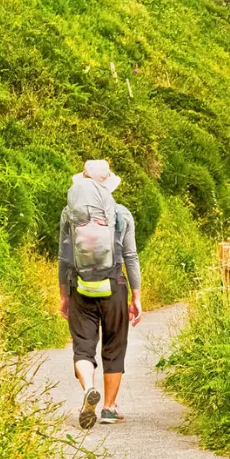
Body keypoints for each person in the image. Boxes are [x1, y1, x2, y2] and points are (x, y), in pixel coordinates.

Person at [59, 160, 143, 429]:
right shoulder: (122, 215)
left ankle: (87, 390)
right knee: (114, 345)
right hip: (114, 284)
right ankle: (108, 408)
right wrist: (137, 297)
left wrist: (64, 295)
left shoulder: (68, 214)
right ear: (108, 185)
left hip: (79, 286)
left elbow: (64, 258)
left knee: (83, 346)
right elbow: (131, 257)